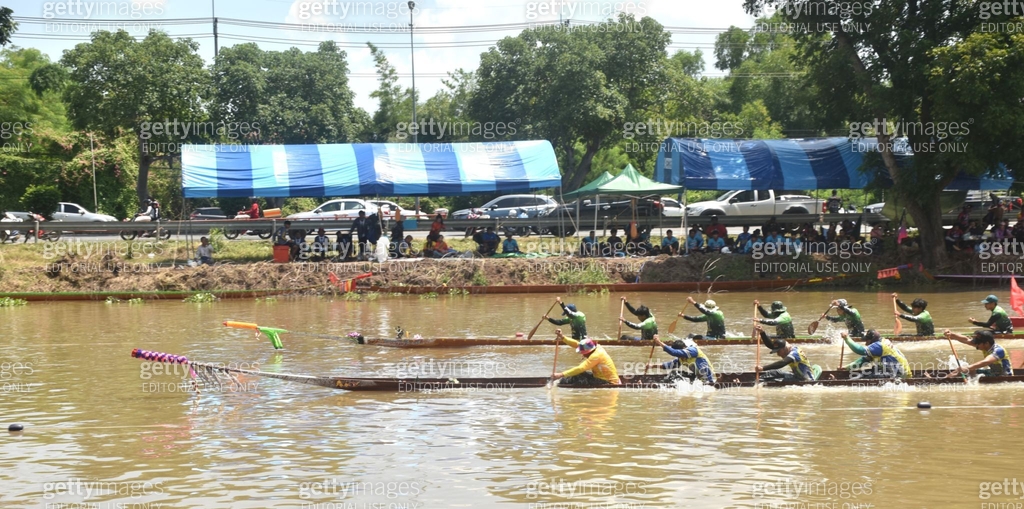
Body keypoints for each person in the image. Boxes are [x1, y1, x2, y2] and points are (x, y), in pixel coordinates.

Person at [552, 332, 621, 386]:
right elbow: (576, 344)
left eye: (584, 353)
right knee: (579, 374)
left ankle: (560, 385)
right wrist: (562, 337)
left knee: (577, 378)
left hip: (608, 382)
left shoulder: (596, 356)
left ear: (589, 351)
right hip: (600, 377)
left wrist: (561, 374)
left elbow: (581, 368)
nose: (583, 355)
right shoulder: (596, 347)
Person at [944, 329, 1014, 378]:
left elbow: (985, 362)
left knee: (965, 370)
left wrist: (967, 368)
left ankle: (941, 382)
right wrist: (951, 334)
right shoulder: (984, 346)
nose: (976, 345)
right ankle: (944, 379)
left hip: (1004, 376)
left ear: (986, 343)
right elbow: (966, 340)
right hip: (993, 373)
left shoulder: (999, 350)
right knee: (961, 370)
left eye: (978, 344)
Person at [841, 330, 911, 379]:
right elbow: (863, 361)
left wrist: (847, 338)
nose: (866, 343)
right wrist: (846, 368)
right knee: (866, 372)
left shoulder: (879, 345)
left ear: (872, 340)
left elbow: (860, 350)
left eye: (867, 341)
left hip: (900, 374)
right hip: (894, 371)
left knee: (867, 377)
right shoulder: (879, 345)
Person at [647, 335, 715, 385]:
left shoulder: (692, 351)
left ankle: (709, 382)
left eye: (680, 354)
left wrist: (659, 342)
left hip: (709, 378)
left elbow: (673, 352)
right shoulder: (681, 358)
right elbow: (669, 365)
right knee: (674, 374)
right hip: (699, 378)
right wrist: (652, 366)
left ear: (683, 349)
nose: (680, 357)